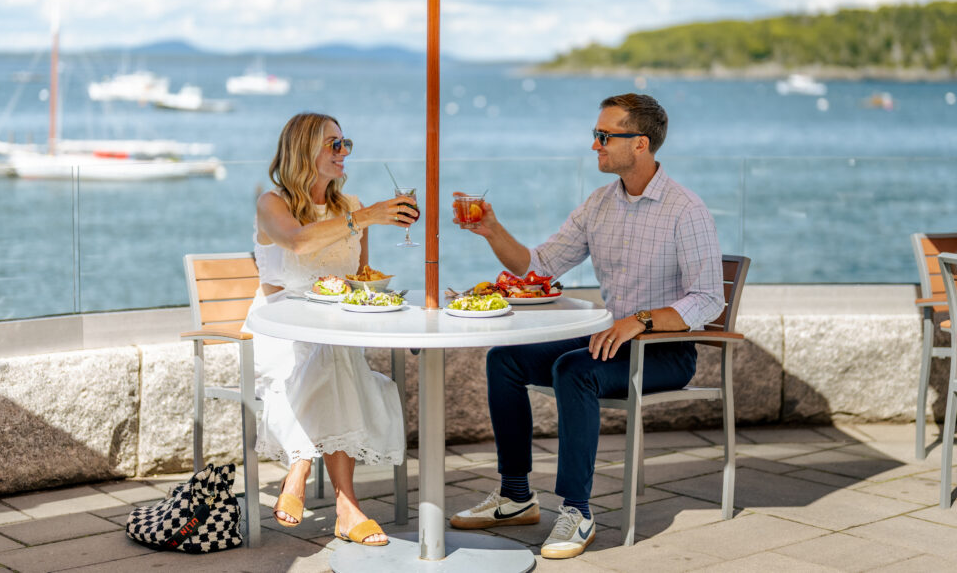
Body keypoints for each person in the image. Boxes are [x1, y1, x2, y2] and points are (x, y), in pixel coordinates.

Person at [449, 94, 723, 559]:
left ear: (640, 144)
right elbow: (539, 264)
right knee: (506, 360)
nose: (594, 144)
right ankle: (516, 496)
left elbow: (708, 299)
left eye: (604, 136)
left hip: (666, 349)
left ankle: (577, 511)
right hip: (612, 339)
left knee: (575, 369)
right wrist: (493, 230)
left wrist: (639, 322)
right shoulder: (599, 204)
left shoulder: (685, 210)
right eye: (595, 135)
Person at [247, 112, 417, 546]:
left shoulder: (351, 206)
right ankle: (347, 505)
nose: (344, 153)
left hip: (336, 329)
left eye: (346, 144)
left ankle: (301, 471)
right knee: (334, 360)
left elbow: (361, 276)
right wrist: (366, 218)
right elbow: (299, 241)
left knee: (335, 356)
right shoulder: (273, 204)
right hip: (280, 329)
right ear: (305, 151)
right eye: (334, 145)